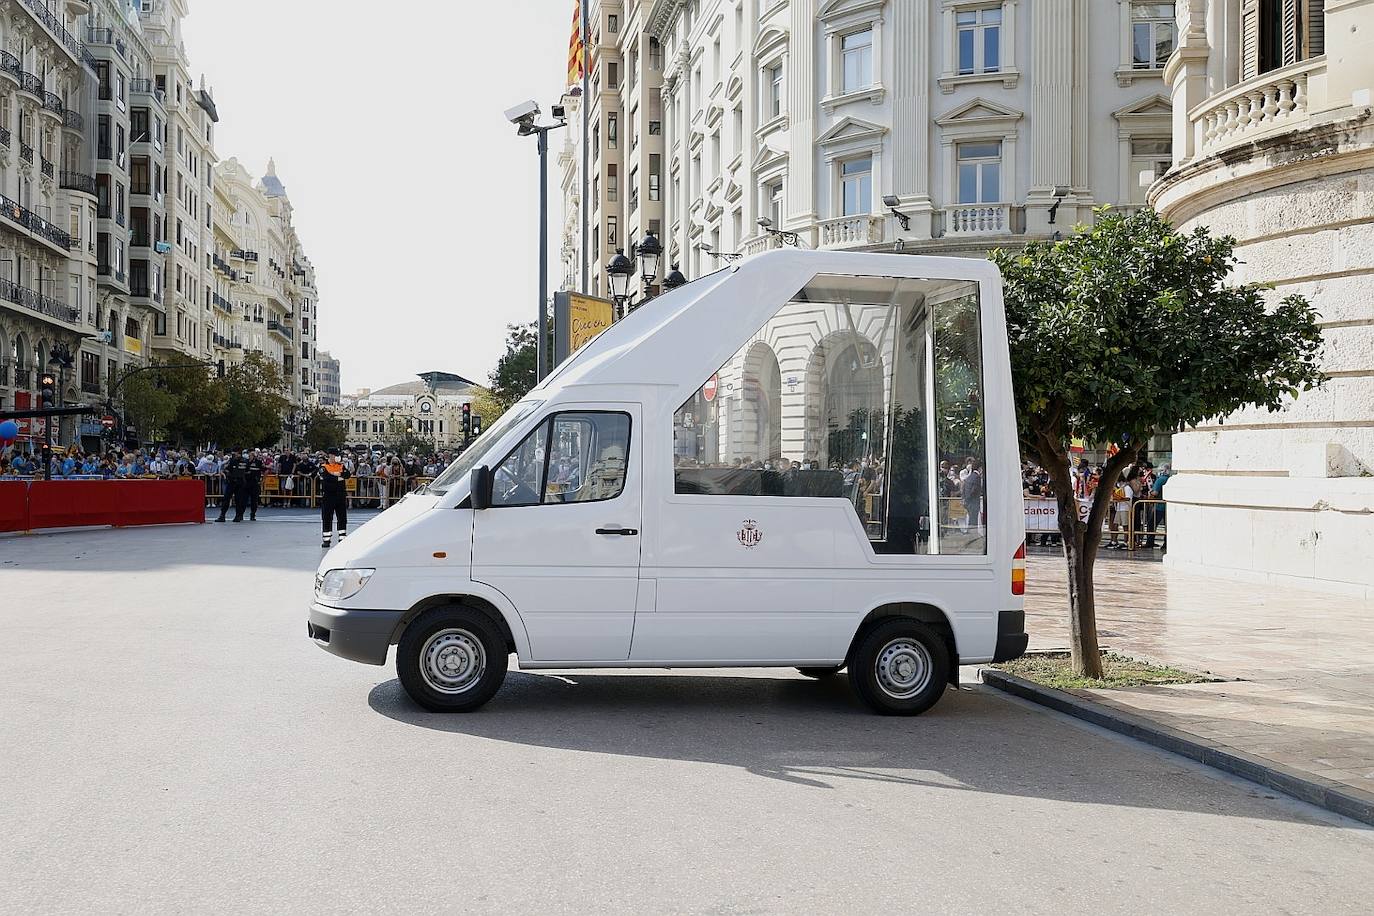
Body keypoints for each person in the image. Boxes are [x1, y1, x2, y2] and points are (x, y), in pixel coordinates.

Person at [318, 452, 350, 548]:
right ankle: (326, 539)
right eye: (336, 455)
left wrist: (336, 474)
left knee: (342, 517)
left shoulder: (341, 465)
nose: (338, 457)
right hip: (328, 495)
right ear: (331, 456)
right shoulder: (323, 466)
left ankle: (342, 537)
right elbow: (327, 478)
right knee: (327, 517)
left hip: (340, 495)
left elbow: (347, 475)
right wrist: (339, 477)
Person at [216, 450, 248, 522]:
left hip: (238, 482)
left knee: (237, 500)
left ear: (239, 454)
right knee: (227, 498)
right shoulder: (235, 461)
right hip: (234, 482)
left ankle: (237, 516)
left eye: (235, 453)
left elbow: (246, 470)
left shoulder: (242, 461)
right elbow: (227, 469)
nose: (234, 455)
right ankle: (223, 515)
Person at [245, 449, 265, 520]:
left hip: (255, 483)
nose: (252, 456)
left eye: (253, 455)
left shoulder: (259, 462)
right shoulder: (246, 462)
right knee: (244, 499)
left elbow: (264, 469)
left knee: (254, 500)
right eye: (250, 455)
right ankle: (240, 514)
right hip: (247, 483)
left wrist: (262, 480)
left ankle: (253, 514)